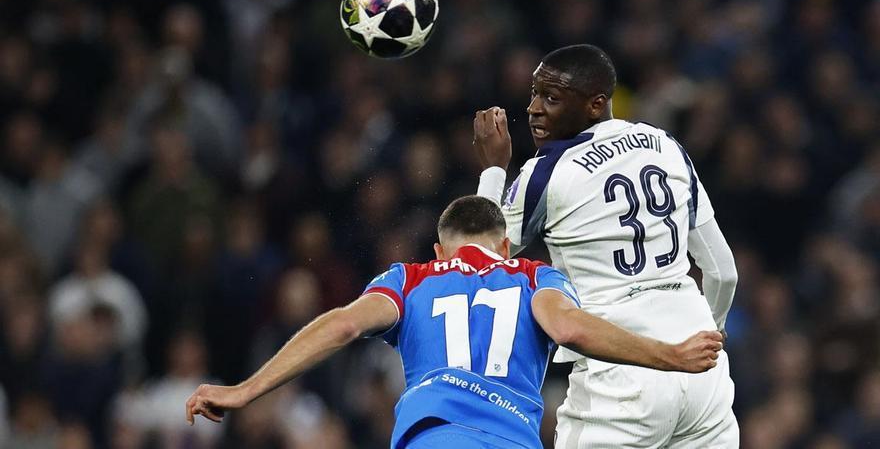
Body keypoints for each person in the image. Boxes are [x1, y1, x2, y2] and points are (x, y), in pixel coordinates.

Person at [185, 195, 723, 448]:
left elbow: (343, 325)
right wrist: (669, 355)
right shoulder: (535, 277)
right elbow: (571, 330)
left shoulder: (412, 277)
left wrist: (246, 388)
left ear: (441, 247)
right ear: (505, 245)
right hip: (512, 441)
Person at [473, 44, 739, 447]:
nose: (533, 108)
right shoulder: (664, 144)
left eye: (551, 98)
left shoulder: (548, 172)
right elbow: (722, 271)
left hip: (620, 380)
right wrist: (710, 333)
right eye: (534, 93)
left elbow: (478, 259)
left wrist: (494, 167)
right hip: (705, 376)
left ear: (596, 104)